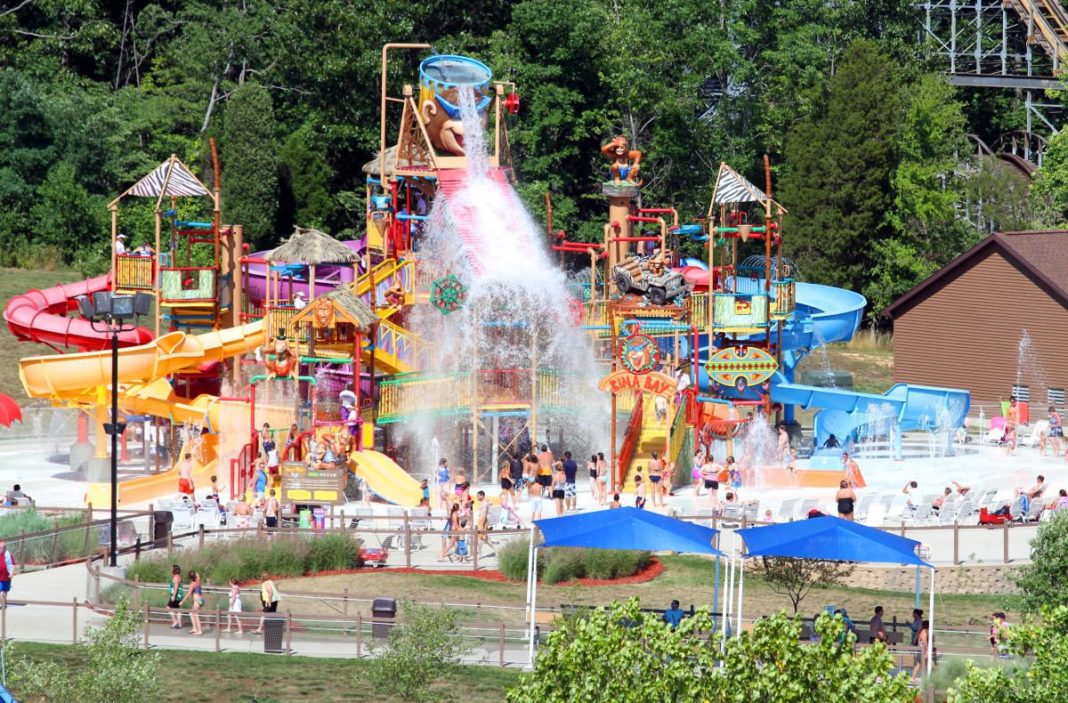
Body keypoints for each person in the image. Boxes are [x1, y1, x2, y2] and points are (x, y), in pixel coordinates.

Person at [179, 570, 205, 636]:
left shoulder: (193, 584)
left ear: (190, 577)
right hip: (199, 600)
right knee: (191, 614)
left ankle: (199, 631)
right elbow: (198, 576)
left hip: (197, 600)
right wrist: (196, 574)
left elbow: (188, 594)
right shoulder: (198, 581)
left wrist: (182, 601)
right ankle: (195, 628)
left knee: (196, 615)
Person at [167, 565, 185, 629]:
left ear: (174, 570)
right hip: (179, 596)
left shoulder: (176, 577)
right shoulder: (178, 576)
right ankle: (179, 624)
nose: (171, 569)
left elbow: (176, 587)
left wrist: (174, 596)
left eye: (172, 569)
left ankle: (175, 622)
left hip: (176, 596)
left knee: (169, 607)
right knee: (178, 609)